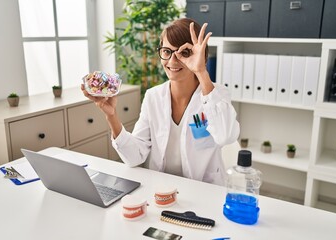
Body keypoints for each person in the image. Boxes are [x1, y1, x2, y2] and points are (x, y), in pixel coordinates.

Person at [82, 18, 240, 186]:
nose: (172, 61)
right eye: (166, 51)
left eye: (184, 53)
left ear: (201, 56)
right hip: (161, 189)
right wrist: (112, 116)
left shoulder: (216, 94)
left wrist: (201, 71)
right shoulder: (153, 97)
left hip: (204, 189)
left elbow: (225, 136)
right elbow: (135, 157)